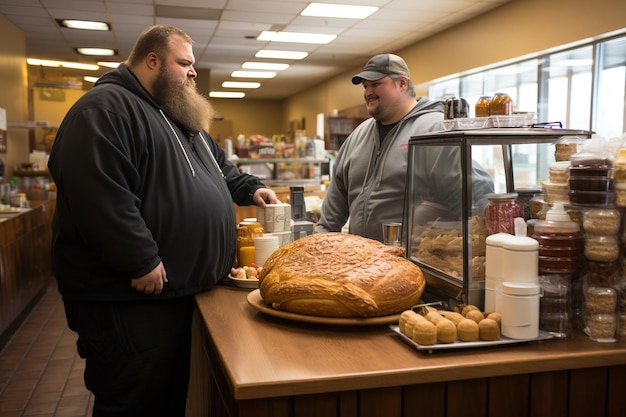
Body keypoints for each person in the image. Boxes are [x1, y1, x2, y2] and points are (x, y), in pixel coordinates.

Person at [47, 24, 278, 417]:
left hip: (169, 294)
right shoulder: (105, 109)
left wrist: (250, 188)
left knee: (165, 398)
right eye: (184, 63)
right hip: (128, 298)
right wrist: (140, 258)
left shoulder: (177, 114)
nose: (192, 72)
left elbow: (219, 170)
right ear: (151, 60)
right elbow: (99, 195)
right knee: (133, 400)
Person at [315, 53, 445, 241]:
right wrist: (319, 245)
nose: (368, 92)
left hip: (411, 262)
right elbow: (331, 215)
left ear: (402, 83)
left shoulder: (433, 129)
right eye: (365, 86)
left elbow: (472, 194)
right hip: (361, 261)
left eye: (375, 84)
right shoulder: (358, 135)